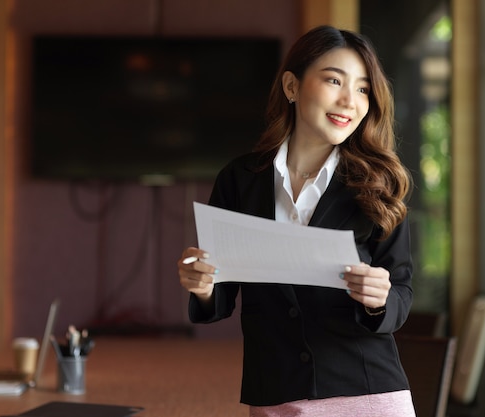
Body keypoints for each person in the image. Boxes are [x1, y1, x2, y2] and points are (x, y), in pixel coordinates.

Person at [178, 25, 415, 417]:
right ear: (292, 86)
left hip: (366, 395)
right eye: (334, 80)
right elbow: (220, 297)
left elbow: (401, 293)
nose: (349, 101)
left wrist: (379, 299)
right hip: (275, 393)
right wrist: (201, 284)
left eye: (362, 89)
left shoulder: (379, 185)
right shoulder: (240, 181)